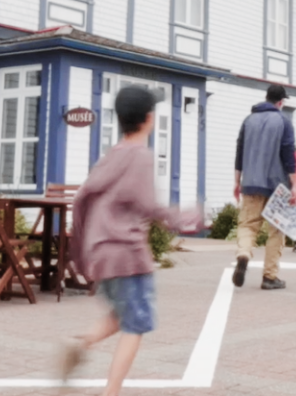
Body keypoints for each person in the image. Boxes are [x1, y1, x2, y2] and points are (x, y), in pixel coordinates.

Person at [60, 85, 202, 394]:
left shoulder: (110, 157)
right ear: (149, 119)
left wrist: (84, 252)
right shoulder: (140, 156)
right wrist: (185, 217)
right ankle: (111, 392)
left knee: (120, 314)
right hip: (126, 255)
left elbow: (83, 198)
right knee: (135, 325)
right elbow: (147, 204)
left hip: (101, 254)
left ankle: (78, 343)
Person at [232, 83, 296, 290]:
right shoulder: (283, 122)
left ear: (266, 97)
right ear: (281, 102)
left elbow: (240, 151)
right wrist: (295, 184)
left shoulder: (248, 120)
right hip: (277, 185)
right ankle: (269, 277)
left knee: (247, 225)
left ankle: (244, 254)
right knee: (277, 231)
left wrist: (237, 180)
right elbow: (288, 155)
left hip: (251, 181)